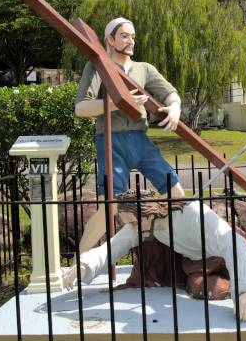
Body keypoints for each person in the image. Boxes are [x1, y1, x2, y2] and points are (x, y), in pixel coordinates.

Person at [62, 189, 246, 322]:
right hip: (199, 263)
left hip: (234, 251)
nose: (130, 228)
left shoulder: (192, 215)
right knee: (203, 288)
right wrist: (83, 266)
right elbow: (113, 247)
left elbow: (234, 243)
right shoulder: (142, 226)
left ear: (148, 214)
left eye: (132, 222)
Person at [74, 17, 185, 252]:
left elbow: (170, 93)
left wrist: (175, 107)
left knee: (175, 193)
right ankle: (79, 261)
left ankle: (177, 250)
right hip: (111, 141)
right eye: (124, 36)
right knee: (109, 206)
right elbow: (81, 108)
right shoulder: (97, 66)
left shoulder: (145, 69)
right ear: (110, 39)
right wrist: (119, 103)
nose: (131, 41)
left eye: (133, 36)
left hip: (141, 141)